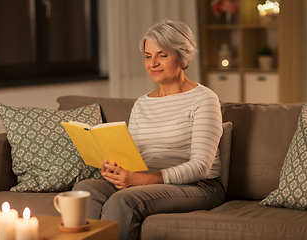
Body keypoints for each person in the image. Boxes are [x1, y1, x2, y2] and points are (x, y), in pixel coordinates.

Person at [72, 19, 225, 240]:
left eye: (162, 55)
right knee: (86, 189)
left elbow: (200, 167)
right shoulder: (142, 103)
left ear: (182, 57)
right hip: (143, 181)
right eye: (147, 56)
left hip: (199, 186)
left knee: (123, 200)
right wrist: (114, 167)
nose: (152, 63)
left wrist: (139, 180)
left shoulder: (204, 98)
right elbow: (133, 154)